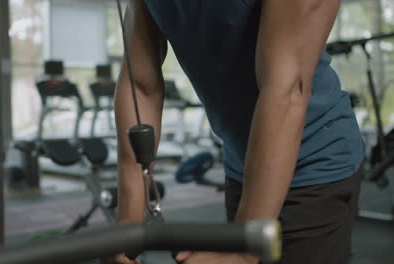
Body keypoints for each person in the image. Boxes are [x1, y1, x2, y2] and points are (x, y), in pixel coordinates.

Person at [110, 0, 365, 264]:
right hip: (243, 161)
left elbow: (286, 92)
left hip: (314, 162)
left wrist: (243, 250)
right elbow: (140, 85)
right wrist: (128, 223)